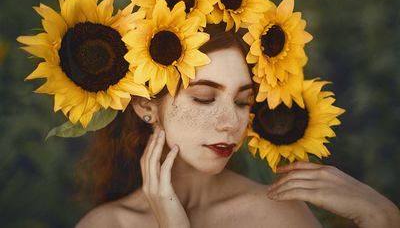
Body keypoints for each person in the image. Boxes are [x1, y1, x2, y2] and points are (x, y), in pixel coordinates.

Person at [75, 24, 399, 228]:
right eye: (203, 98)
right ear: (147, 107)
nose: (232, 123)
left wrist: (382, 218)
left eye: (243, 102)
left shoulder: (275, 215)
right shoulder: (107, 223)